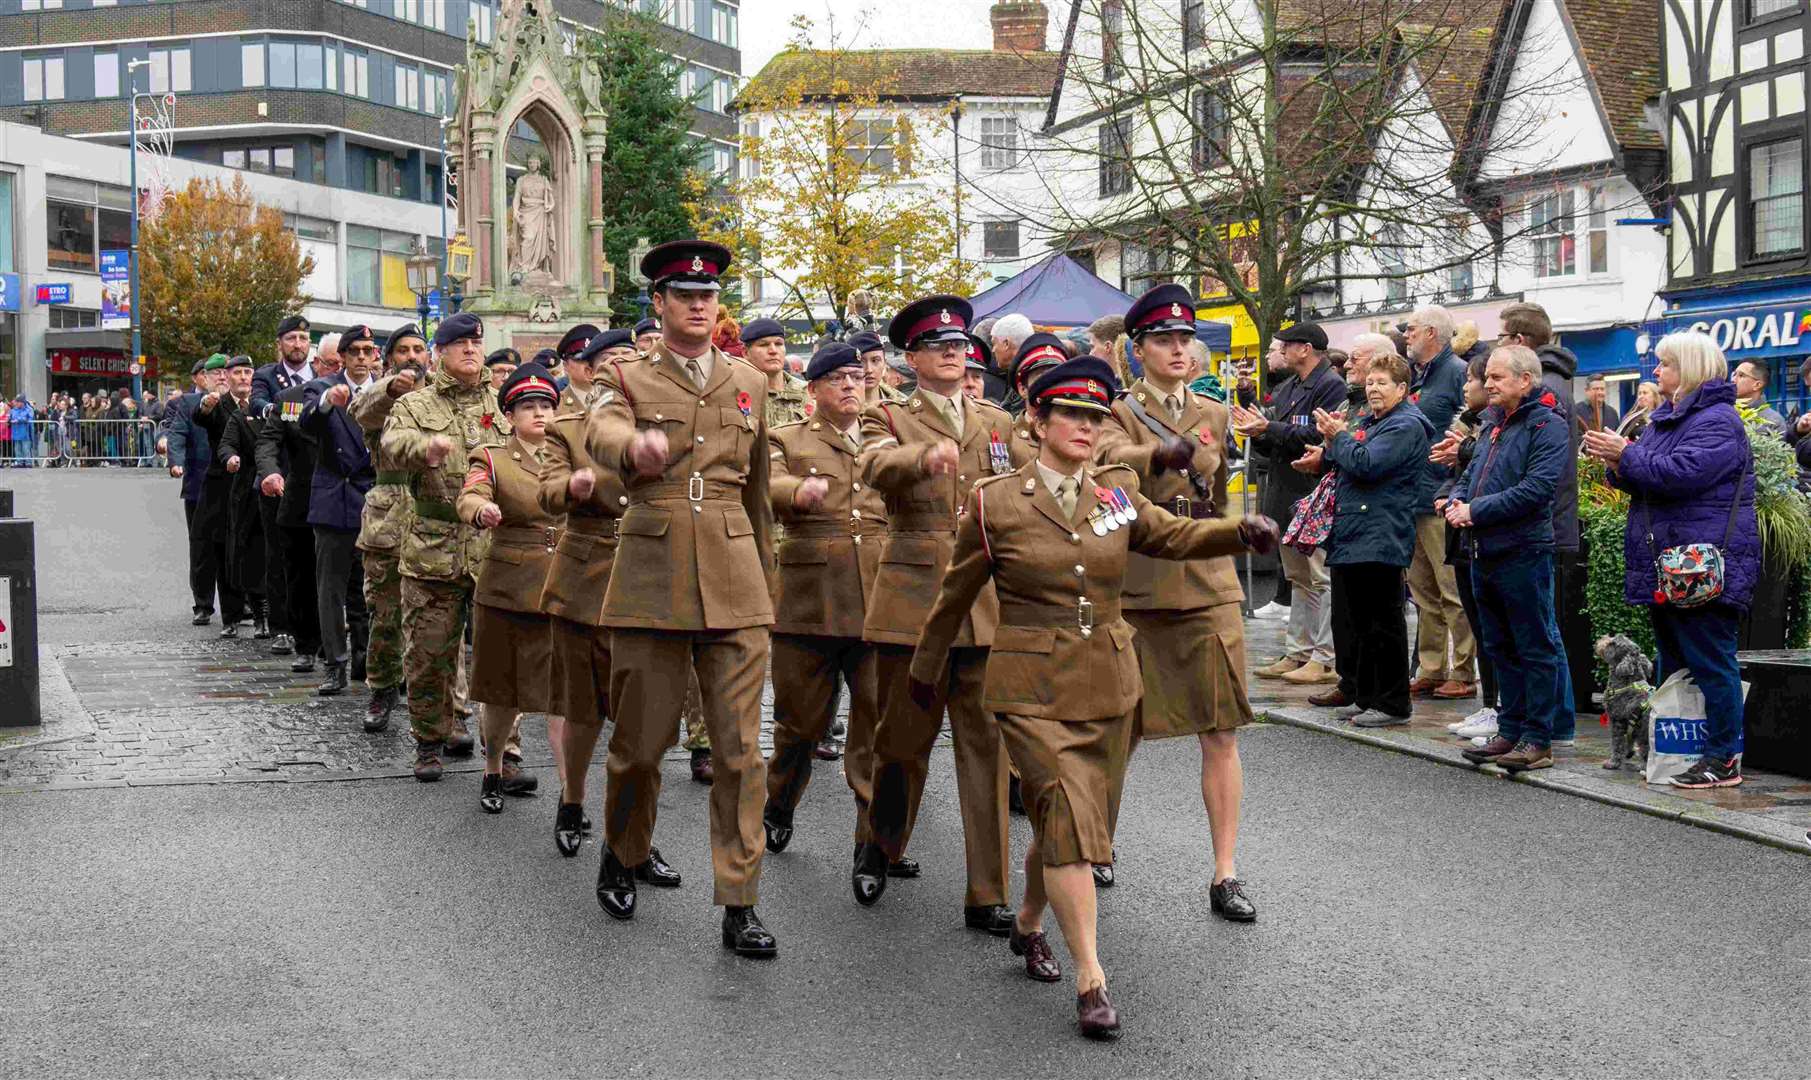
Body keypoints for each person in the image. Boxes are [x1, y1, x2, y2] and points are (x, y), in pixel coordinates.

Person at [911, 355, 1278, 1039]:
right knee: (1068, 819)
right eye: (1071, 415)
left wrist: (1237, 533)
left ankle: (1026, 921)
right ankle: (1091, 979)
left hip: (1109, 679)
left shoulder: (1113, 492)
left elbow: (1171, 536)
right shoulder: (994, 501)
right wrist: (925, 670)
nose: (1084, 426)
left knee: (1069, 827)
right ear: (1037, 420)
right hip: (1029, 686)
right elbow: (953, 593)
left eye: (1093, 416)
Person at [582, 240, 780, 956]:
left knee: (739, 754)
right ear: (659, 304)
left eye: (708, 295)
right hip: (651, 574)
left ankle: (739, 900)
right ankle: (623, 847)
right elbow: (597, 427)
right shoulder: (627, 376)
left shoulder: (749, 381)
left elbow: (759, 490)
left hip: (734, 578)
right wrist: (630, 447)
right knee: (639, 746)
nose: (698, 304)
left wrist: (768, 585)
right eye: (683, 295)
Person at [847, 293, 1017, 935]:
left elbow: (1033, 479)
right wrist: (923, 456)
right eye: (939, 346)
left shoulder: (996, 422)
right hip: (914, 601)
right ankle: (878, 843)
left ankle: (987, 891)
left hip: (983, 604)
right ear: (912, 357)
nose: (954, 353)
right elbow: (871, 466)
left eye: (960, 345)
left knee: (986, 750)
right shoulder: (887, 415)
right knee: (901, 744)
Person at [1583, 331, 1759, 789]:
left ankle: (1723, 758)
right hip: (1672, 563)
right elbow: (1650, 477)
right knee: (1676, 659)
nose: (1656, 372)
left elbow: (1681, 476)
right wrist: (1618, 462)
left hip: (1698, 565)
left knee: (1710, 659)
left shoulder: (1717, 420)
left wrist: (1628, 455)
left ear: (1691, 368)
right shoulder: (1671, 416)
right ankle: (1676, 749)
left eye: (1665, 364)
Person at [537, 329, 674, 864]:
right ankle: (572, 800)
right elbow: (545, 491)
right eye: (613, 360)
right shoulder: (565, 427)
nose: (626, 366)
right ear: (591, 371)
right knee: (583, 709)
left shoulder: (663, 423)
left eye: (631, 358)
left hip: (648, 578)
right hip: (584, 579)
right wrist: (570, 488)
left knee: (645, 718)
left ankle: (637, 840)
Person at [761, 341, 890, 860]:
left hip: (877, 600)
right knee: (799, 727)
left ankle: (871, 842)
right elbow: (768, 483)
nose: (850, 385)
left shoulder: (886, 439)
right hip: (808, 604)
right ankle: (781, 801)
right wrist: (797, 492)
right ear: (811, 390)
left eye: (856, 376)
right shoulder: (786, 436)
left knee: (876, 724)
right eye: (837, 378)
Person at [382, 312, 508, 781]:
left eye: (476, 343)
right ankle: (430, 740)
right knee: (429, 654)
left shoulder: (503, 403)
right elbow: (389, 446)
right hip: (434, 548)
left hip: (495, 548)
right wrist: (424, 449)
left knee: (501, 657)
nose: (471, 351)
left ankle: (506, 754)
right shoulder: (416, 405)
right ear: (440, 352)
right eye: (460, 344)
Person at [1448, 345, 1571, 773]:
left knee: (1533, 646)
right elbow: (1469, 476)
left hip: (1524, 550)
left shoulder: (1546, 425)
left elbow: (1537, 489)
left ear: (1525, 380)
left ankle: (1538, 738)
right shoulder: (1492, 425)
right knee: (1499, 645)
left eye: (1498, 377)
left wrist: (1474, 510)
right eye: (1488, 378)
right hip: (1483, 550)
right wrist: (1455, 499)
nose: (1488, 385)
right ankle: (1510, 730)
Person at [1297, 353, 1434, 727]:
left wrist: (1337, 437)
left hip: (1381, 533)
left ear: (1402, 389)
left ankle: (1392, 703)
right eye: (1370, 382)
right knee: (1354, 620)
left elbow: (1366, 464)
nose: (1373, 389)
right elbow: (1350, 459)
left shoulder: (1405, 426)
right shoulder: (1375, 421)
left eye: (1383, 383)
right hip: (1353, 532)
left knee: (1382, 624)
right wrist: (1326, 454)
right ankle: (1363, 693)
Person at [457, 361, 564, 813]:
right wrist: (481, 510)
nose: (539, 414)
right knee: (501, 693)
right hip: (509, 591)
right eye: (528, 407)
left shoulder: (575, 460)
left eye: (546, 405)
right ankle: (494, 768)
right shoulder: (493, 458)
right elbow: (471, 493)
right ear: (510, 416)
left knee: (566, 696)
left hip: (566, 588)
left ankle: (570, 791)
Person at [1230, 321, 1345, 685]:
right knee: (1297, 578)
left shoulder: (1330, 386)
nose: (1281, 349)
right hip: (1286, 491)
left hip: (1311, 493)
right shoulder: (1290, 386)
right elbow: (1278, 437)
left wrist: (1270, 430)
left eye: (1287, 344)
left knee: (1320, 577)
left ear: (1306, 349)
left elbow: (1316, 436)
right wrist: (1259, 430)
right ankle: (1299, 650)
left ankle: (1325, 657)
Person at [1497, 302, 1586, 724]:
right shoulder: (1552, 386)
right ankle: (1544, 717)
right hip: (1546, 523)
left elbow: (1539, 475)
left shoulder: (1545, 394)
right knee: (1539, 630)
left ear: (1519, 343)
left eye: (1501, 338)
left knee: (1540, 632)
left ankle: (1554, 719)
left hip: (1542, 527)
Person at [350, 324, 428, 731]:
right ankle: (382, 689)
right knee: (384, 613)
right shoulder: (378, 395)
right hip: (389, 516)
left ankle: (446, 708)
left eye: (418, 348)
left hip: (436, 516)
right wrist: (393, 389)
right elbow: (362, 412)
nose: (411, 356)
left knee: (437, 618)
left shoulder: (443, 395)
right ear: (388, 357)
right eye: (402, 349)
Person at [1399, 304, 1476, 698]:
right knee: (1423, 591)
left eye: (1411, 329)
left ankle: (1462, 672)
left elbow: (1468, 429)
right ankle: (1431, 666)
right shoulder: (1418, 375)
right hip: (1413, 496)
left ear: (1431, 333)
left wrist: (1451, 485)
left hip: (1440, 495)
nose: (1406, 335)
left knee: (1451, 591)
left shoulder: (1457, 373)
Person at [299, 324, 380, 697]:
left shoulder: (385, 390)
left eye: (368, 351)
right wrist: (327, 402)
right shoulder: (321, 388)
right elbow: (307, 422)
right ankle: (334, 662)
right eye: (355, 352)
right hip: (334, 498)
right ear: (342, 357)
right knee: (329, 588)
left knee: (370, 589)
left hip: (373, 499)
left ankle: (368, 660)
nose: (362, 358)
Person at [1430, 356, 1501, 740]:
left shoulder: (1499, 425)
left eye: (1483, 378)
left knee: (1497, 630)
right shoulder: (1472, 423)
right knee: (1482, 624)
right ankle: (1490, 704)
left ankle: (1501, 708)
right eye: (1481, 378)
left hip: (1488, 533)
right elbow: (1460, 476)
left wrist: (1463, 453)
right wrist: (1447, 495)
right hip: (1463, 531)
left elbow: (1493, 471)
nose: (1472, 386)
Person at [256, 344, 334, 676]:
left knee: (345, 583)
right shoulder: (292, 399)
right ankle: (305, 646)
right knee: (301, 578)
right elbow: (269, 441)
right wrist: (270, 471)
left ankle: (347, 650)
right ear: (318, 364)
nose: (337, 368)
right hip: (301, 499)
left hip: (348, 503)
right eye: (331, 362)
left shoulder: (369, 396)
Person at [191, 355, 251, 635]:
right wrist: (205, 405)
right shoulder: (218, 404)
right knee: (219, 548)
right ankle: (229, 617)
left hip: (251, 484)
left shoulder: (258, 403)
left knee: (250, 549)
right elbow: (202, 417)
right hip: (220, 487)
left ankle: (256, 611)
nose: (239, 377)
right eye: (234, 372)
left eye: (246, 372)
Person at [166, 358, 222, 625]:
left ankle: (242, 602)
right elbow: (176, 434)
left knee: (237, 546)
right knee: (202, 547)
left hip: (233, 486)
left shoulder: (240, 401)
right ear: (203, 377)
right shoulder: (187, 404)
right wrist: (175, 461)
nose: (222, 377)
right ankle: (203, 604)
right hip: (199, 486)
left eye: (226, 372)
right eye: (216, 373)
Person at [742, 317, 810, 427]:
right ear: (745, 353)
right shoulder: (737, 394)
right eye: (763, 345)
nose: (773, 351)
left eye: (778, 344)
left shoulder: (807, 393)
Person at [554, 324, 607, 412]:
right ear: (565, 365)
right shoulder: (555, 405)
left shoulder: (614, 401)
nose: (589, 365)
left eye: (594, 359)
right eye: (581, 359)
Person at [1732, 359, 1787, 439]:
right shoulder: (1724, 412)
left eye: (1741, 375)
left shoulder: (1774, 421)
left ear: (1757, 385)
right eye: (1734, 375)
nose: (1733, 380)